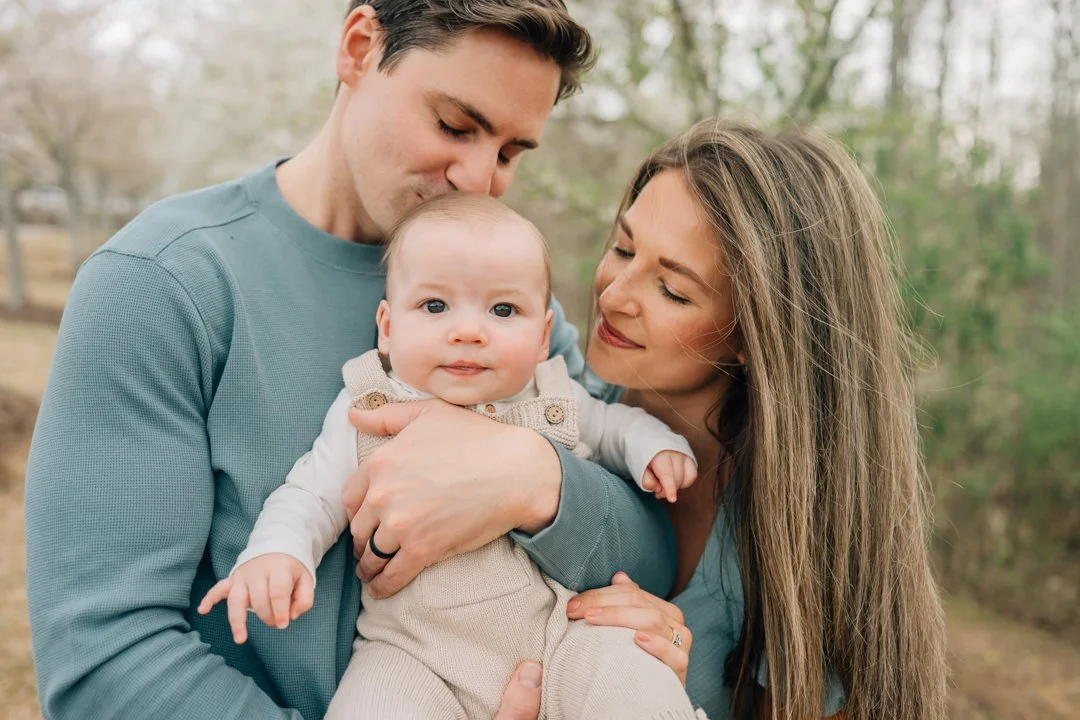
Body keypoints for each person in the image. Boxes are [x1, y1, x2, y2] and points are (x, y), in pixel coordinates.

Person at [25, 3, 677, 719]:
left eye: (510, 153)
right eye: (455, 126)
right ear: (360, 47)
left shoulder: (504, 305)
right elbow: (105, 662)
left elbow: (649, 551)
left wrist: (537, 482)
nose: (478, 178)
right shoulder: (162, 283)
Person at [357, 119, 950, 719]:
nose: (614, 295)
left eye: (672, 289)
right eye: (622, 248)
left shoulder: (799, 540)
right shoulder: (558, 404)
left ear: (756, 334)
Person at [201, 193, 700, 719]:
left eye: (503, 310)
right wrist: (278, 552)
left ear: (541, 338)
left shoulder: (550, 395)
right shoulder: (370, 405)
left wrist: (655, 447)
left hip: (560, 637)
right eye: (435, 306)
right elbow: (311, 493)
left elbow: (614, 425)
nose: (468, 331)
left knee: (633, 672)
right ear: (388, 327)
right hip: (413, 657)